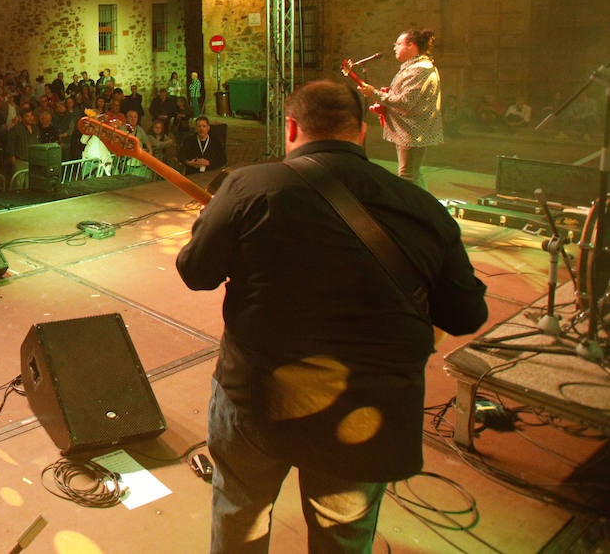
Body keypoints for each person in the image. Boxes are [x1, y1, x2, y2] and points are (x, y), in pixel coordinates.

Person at [176, 81, 488, 553]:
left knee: (241, 514)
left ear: (292, 127)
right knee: (342, 539)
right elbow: (466, 314)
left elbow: (195, 272)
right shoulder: (423, 208)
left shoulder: (249, 186)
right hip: (365, 417)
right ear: (362, 132)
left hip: (259, 401)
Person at [355, 28, 443, 188]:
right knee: (414, 172)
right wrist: (384, 101)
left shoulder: (419, 69)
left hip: (413, 131)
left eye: (398, 43)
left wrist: (373, 93)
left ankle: (410, 209)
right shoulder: (416, 66)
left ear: (411, 45)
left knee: (407, 176)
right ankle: (423, 206)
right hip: (412, 130)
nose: (395, 47)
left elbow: (405, 102)